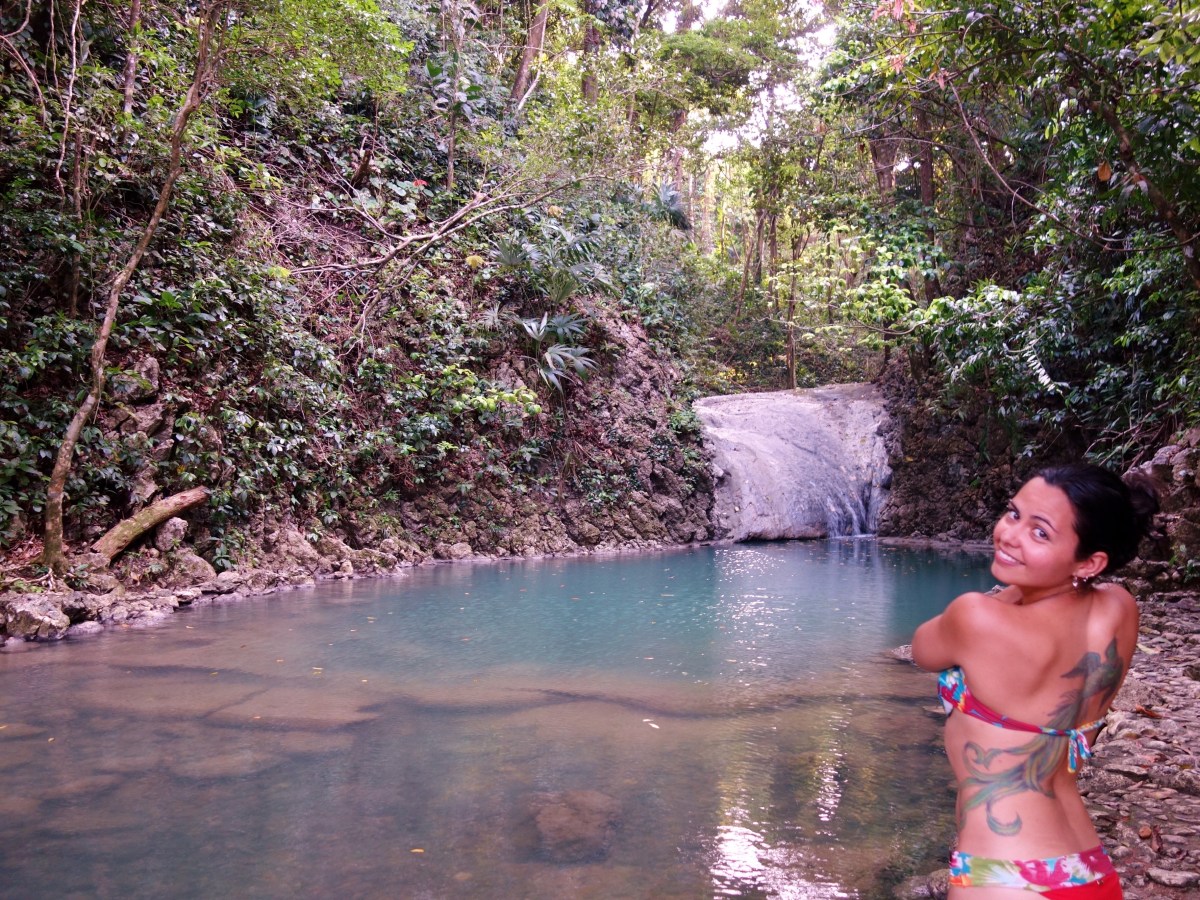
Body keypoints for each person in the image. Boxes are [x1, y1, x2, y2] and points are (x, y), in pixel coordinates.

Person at [912, 463, 1159, 899]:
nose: (1010, 534)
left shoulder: (977, 617)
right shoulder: (1120, 607)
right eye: (1013, 513)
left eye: (1040, 532)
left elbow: (923, 650)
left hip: (1004, 874)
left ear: (1090, 561)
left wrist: (1010, 592)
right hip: (1091, 870)